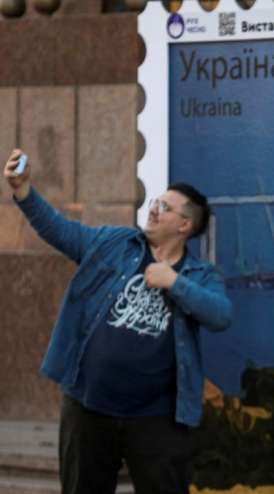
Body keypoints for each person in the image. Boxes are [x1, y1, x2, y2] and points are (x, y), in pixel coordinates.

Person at [4, 149, 233, 494]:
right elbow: (59, 231)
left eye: (165, 207)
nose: (154, 208)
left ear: (185, 225)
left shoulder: (199, 275)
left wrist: (174, 282)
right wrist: (23, 191)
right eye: (156, 201)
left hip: (157, 419)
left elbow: (220, 315)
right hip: (88, 408)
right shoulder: (114, 243)